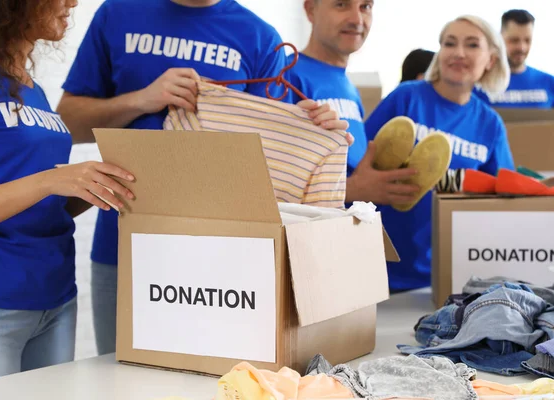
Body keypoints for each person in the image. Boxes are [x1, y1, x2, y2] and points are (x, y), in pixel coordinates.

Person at [56, 0, 347, 357]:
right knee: (120, 384)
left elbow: (268, 167)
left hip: (220, 262)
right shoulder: (117, 13)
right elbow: (68, 121)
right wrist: (142, 100)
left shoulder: (259, 37)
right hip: (123, 245)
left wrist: (301, 126)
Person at [0, 0, 136, 387]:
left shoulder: (31, 90)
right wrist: (51, 180)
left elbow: (38, 206)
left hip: (55, 302)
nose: (72, 2)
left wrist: (98, 184)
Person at [364, 15, 515, 293]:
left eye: (471, 45)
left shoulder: (490, 124)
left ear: (490, 60)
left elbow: (501, 201)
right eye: (449, 43)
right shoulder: (406, 97)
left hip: (441, 278)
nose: (458, 53)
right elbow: (357, 164)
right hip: (373, 266)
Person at [287, 0, 420, 207]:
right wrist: (354, 189)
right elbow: (271, 181)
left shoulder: (349, 88)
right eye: (341, 5)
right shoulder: (286, 76)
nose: (357, 19)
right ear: (311, 9)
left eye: (365, 7)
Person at [475, 9, 554, 108]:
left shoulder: (549, 82)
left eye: (527, 40)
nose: (521, 47)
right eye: (514, 40)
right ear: (500, 38)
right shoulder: (479, 84)